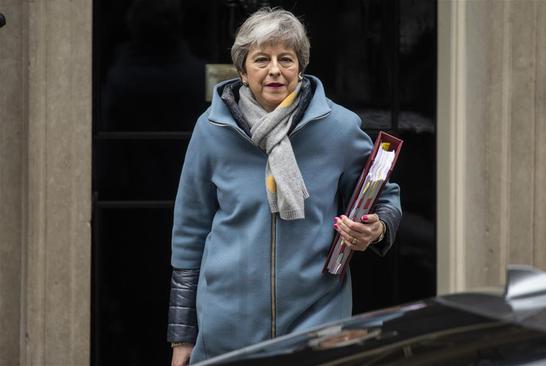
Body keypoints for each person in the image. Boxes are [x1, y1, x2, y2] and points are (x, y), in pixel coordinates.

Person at [167, 8, 401, 366]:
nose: (275, 69)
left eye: (285, 59)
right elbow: (189, 234)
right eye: (261, 59)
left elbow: (383, 194)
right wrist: (182, 336)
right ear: (243, 72)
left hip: (318, 318)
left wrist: (377, 227)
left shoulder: (337, 127)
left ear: (300, 67)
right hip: (227, 324)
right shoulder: (212, 129)